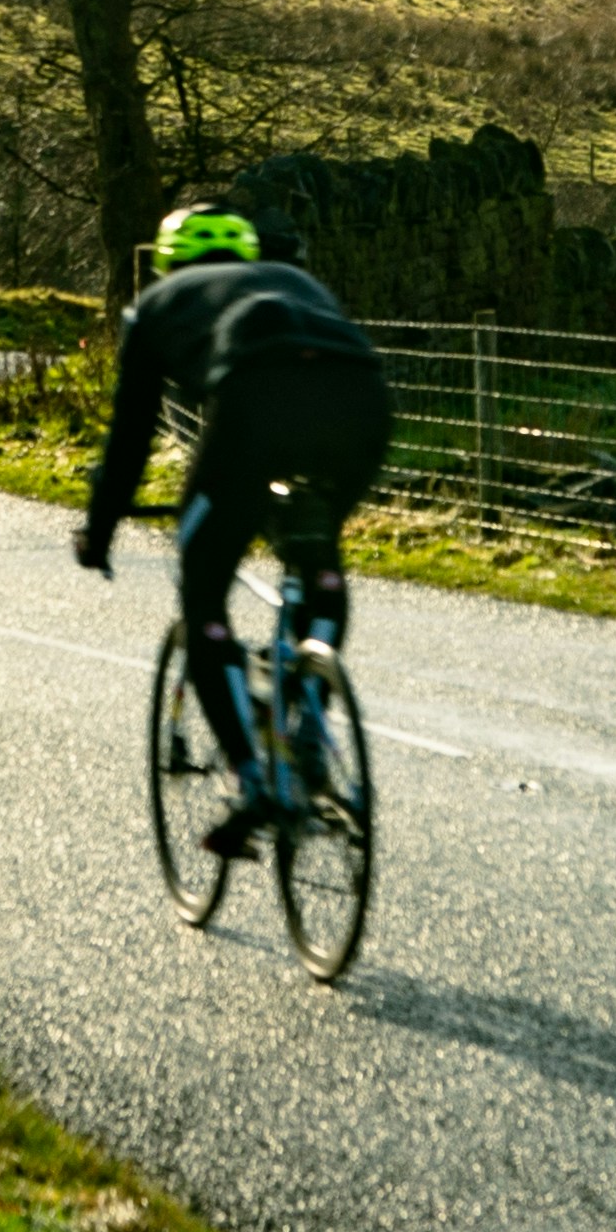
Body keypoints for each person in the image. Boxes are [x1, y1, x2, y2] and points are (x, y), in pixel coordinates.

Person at [75, 202, 396, 856]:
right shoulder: (294, 282)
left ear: (165, 262)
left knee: (203, 599)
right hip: (361, 401)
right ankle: (307, 714)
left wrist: (101, 528)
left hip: (256, 404)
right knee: (316, 559)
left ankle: (255, 779)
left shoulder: (158, 303)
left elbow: (132, 435)